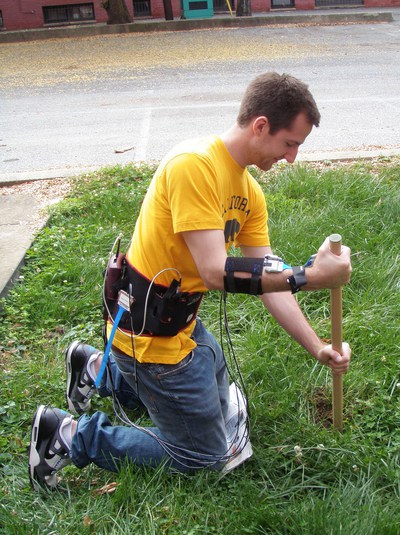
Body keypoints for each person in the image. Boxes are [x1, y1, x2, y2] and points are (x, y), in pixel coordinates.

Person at [28, 72, 352, 490]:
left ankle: (94, 368)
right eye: (290, 143)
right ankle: (69, 437)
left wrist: (318, 347)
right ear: (260, 126)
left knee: (218, 406)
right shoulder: (194, 166)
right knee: (204, 455)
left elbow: (270, 279)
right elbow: (215, 273)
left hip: (182, 328)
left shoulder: (250, 194)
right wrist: (310, 276)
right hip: (147, 339)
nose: (292, 158)